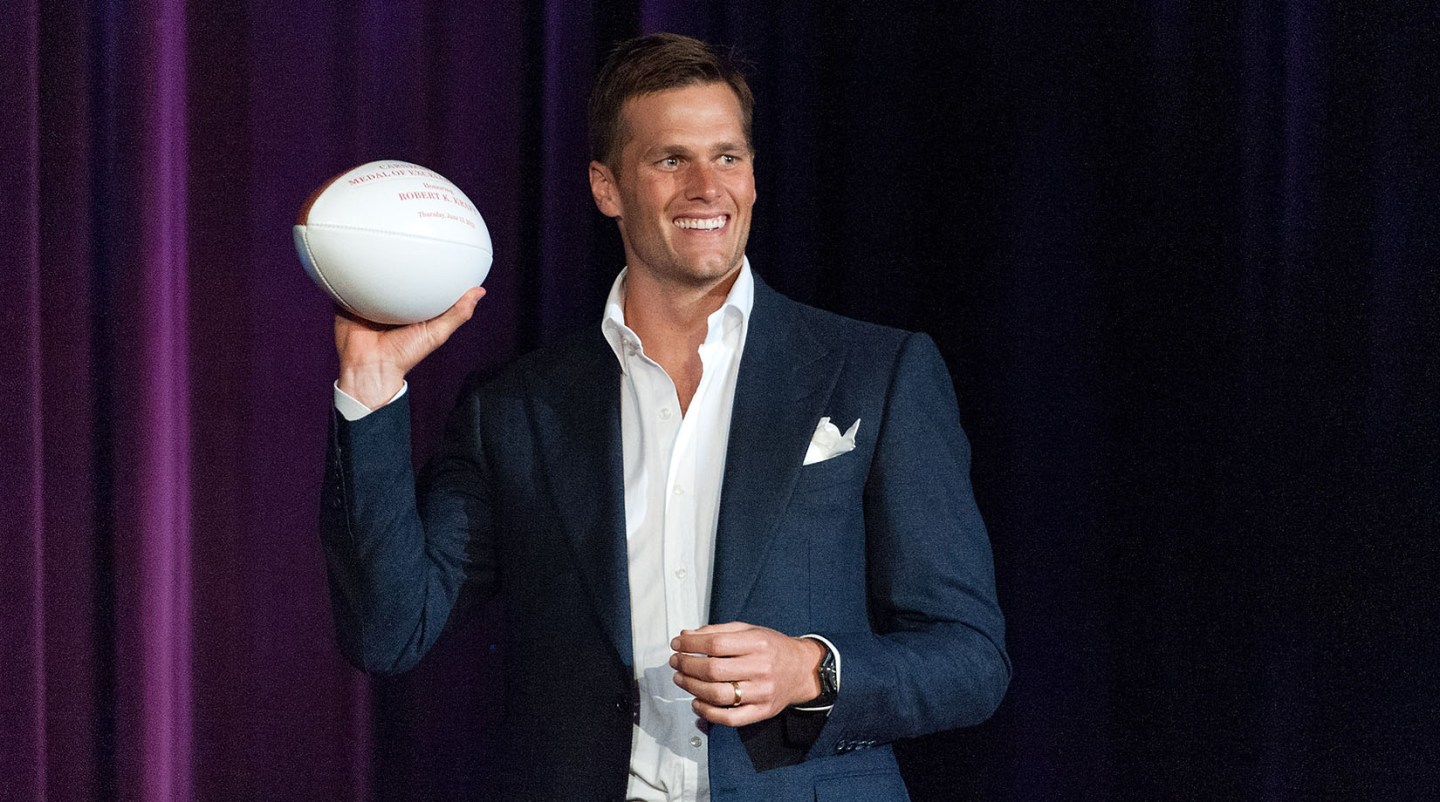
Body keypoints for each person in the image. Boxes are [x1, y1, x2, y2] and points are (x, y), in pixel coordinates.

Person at [320, 32, 1009, 801]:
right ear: (606, 188)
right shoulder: (513, 408)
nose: (707, 187)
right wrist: (371, 385)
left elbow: (971, 659)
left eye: (728, 157)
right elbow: (388, 630)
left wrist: (812, 670)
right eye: (671, 159)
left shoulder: (876, 372)